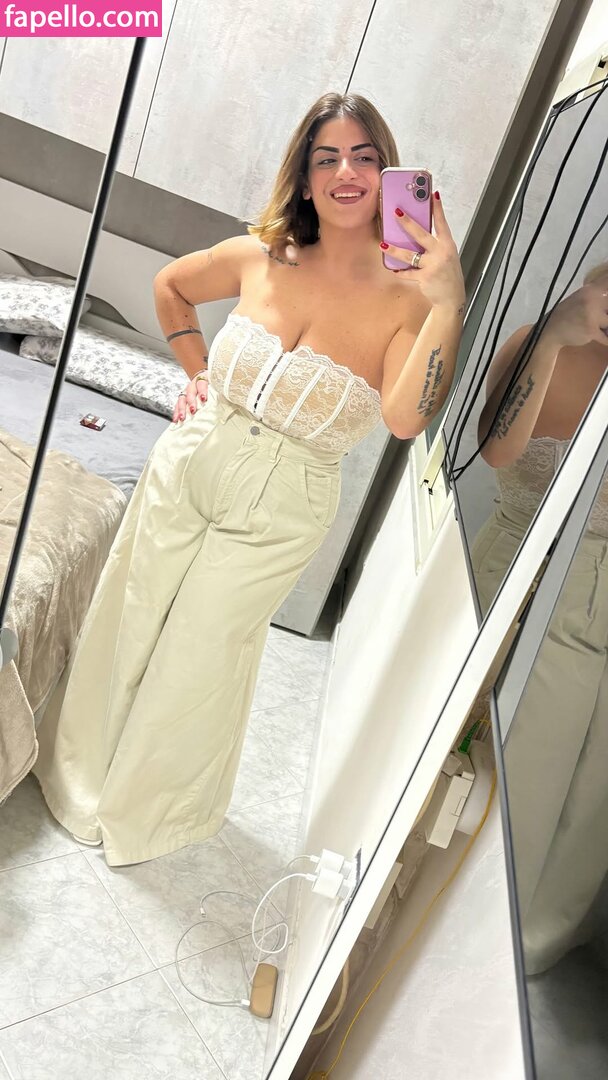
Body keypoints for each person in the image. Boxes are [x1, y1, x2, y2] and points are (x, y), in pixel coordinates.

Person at [33, 92, 466, 867]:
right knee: (131, 611)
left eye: (365, 157)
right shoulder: (259, 255)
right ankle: (79, 775)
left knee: (202, 653)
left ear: (389, 174)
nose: (346, 172)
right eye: (327, 157)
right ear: (304, 176)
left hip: (287, 501)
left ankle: (149, 812)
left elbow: (406, 419)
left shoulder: (410, 302)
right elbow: (170, 286)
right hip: (194, 456)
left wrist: (448, 304)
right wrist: (197, 372)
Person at [472, 261, 608, 973]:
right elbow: (495, 449)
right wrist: (554, 338)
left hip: (595, 601)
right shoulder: (539, 340)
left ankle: (517, 940)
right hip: (511, 571)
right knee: (487, 755)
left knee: (575, 786)